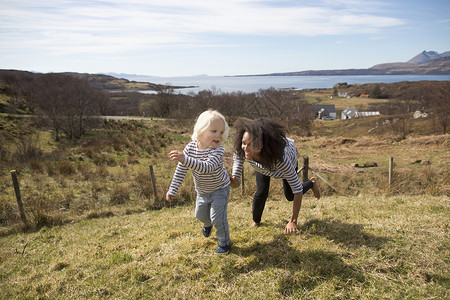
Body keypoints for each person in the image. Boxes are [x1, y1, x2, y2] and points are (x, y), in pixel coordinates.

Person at [230, 118, 321, 235]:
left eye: (251, 144)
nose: (245, 148)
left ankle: (312, 183)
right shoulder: (241, 151)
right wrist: (231, 180)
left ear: (261, 144)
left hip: (280, 163)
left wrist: (293, 221)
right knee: (261, 192)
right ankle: (256, 220)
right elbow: (236, 183)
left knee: (290, 196)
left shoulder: (281, 159)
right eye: (244, 143)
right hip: (262, 166)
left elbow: (297, 190)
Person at [166, 109, 232, 254]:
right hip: (202, 191)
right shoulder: (190, 148)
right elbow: (181, 170)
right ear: (201, 131)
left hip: (220, 189)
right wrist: (172, 189)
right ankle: (207, 224)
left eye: (221, 132)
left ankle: (224, 244)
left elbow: (207, 167)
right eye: (213, 131)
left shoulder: (218, 151)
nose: (218, 136)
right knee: (200, 215)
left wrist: (185, 159)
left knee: (218, 219)